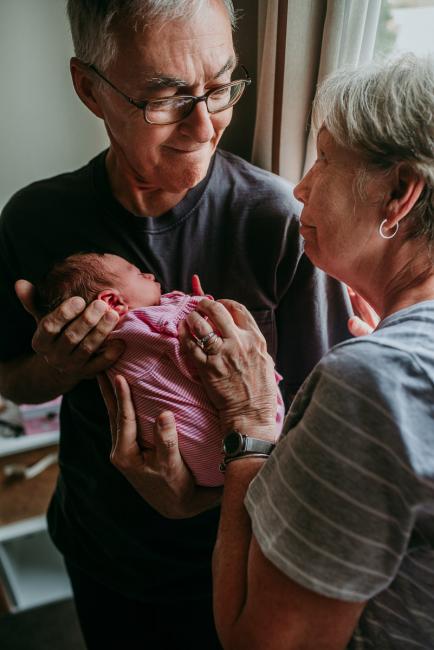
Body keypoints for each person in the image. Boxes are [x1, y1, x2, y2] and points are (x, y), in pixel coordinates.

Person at [0, 1, 351, 648]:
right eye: (165, 98)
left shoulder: (277, 222)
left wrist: (203, 500)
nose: (205, 126)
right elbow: (14, 384)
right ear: (89, 89)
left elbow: (324, 438)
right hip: (101, 555)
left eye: (220, 88)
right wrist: (52, 367)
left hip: (243, 561)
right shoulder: (34, 221)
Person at [35, 250, 285, 487]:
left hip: (193, 469)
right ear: (112, 301)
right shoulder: (138, 325)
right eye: (138, 274)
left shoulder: (108, 347)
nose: (151, 275)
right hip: (231, 447)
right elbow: (183, 331)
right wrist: (197, 305)